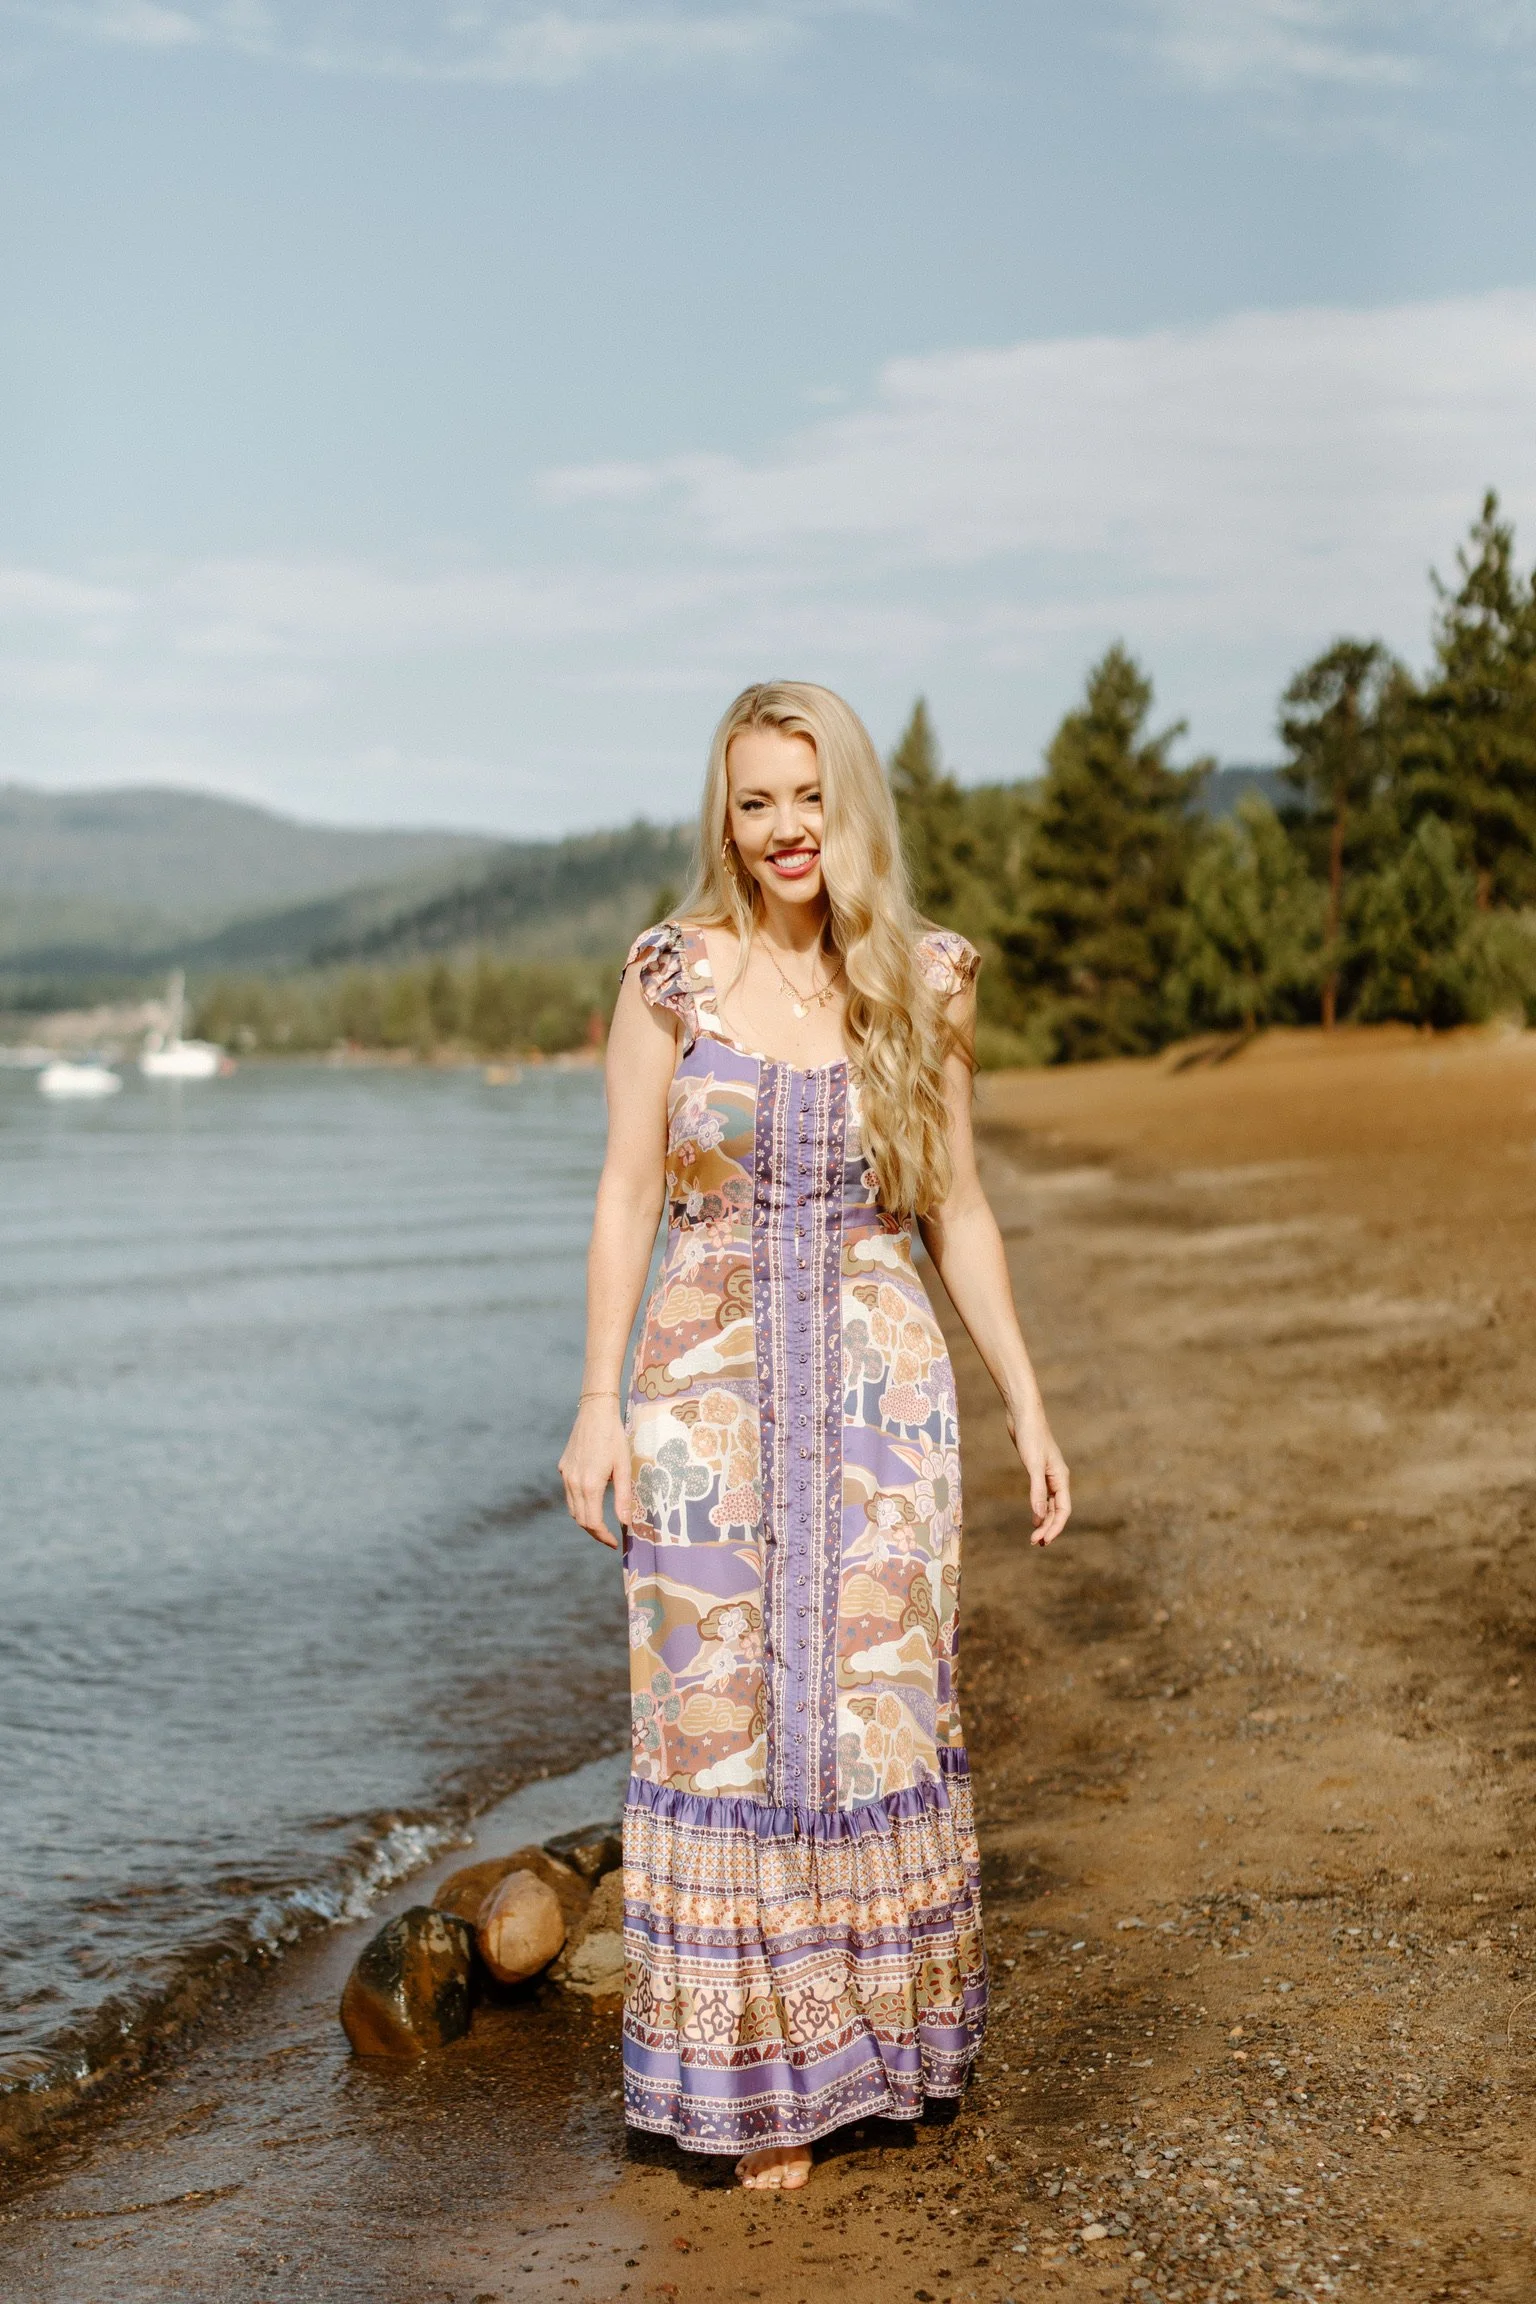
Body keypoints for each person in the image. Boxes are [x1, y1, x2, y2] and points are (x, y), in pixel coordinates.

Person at [559, 680, 1070, 2191]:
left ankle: (876, 2052)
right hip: (701, 1397)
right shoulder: (671, 977)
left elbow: (958, 1208)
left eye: (810, 795)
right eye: (756, 801)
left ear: (852, 805)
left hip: (881, 1403)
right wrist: (597, 1404)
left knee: (873, 1707)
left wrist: (1026, 1400)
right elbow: (625, 1195)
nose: (786, 828)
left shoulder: (929, 980)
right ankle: (760, 2081)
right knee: (715, 1717)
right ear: (725, 820)